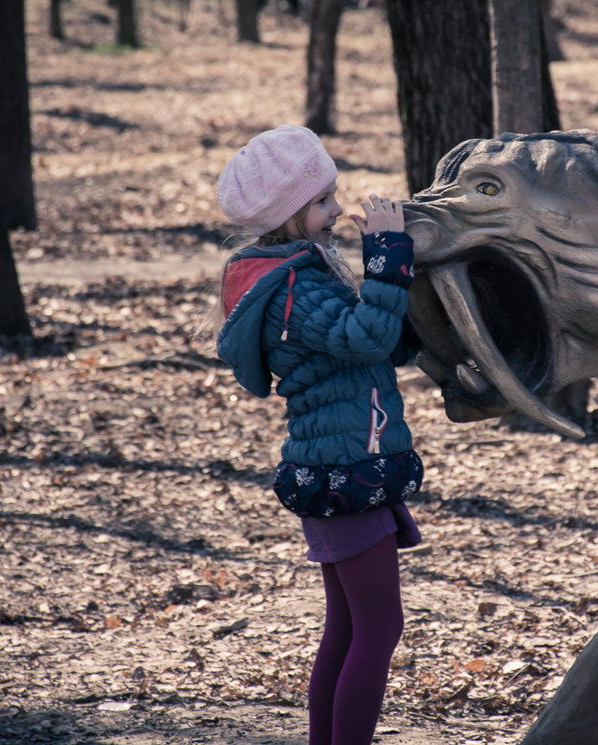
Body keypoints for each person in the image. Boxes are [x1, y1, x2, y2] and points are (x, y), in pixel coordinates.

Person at [214, 124, 423, 745]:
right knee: (379, 631)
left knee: (348, 629)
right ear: (287, 214)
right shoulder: (291, 290)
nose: (336, 211)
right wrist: (386, 251)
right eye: (323, 202)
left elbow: (373, 343)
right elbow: (366, 339)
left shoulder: (301, 272)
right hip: (342, 470)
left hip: (342, 463)